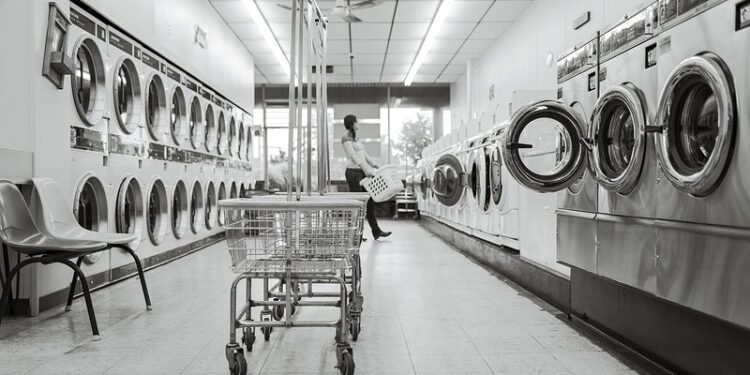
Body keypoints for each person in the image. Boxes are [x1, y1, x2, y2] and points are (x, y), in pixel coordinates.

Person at [341, 114, 391, 240]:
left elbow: (363, 154)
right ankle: (354, 234)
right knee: (357, 205)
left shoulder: (356, 138)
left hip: (361, 172)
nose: (358, 124)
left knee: (369, 203)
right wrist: (365, 168)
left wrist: (374, 164)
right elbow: (353, 155)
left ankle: (376, 231)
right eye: (357, 121)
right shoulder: (346, 137)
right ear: (352, 123)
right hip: (353, 173)